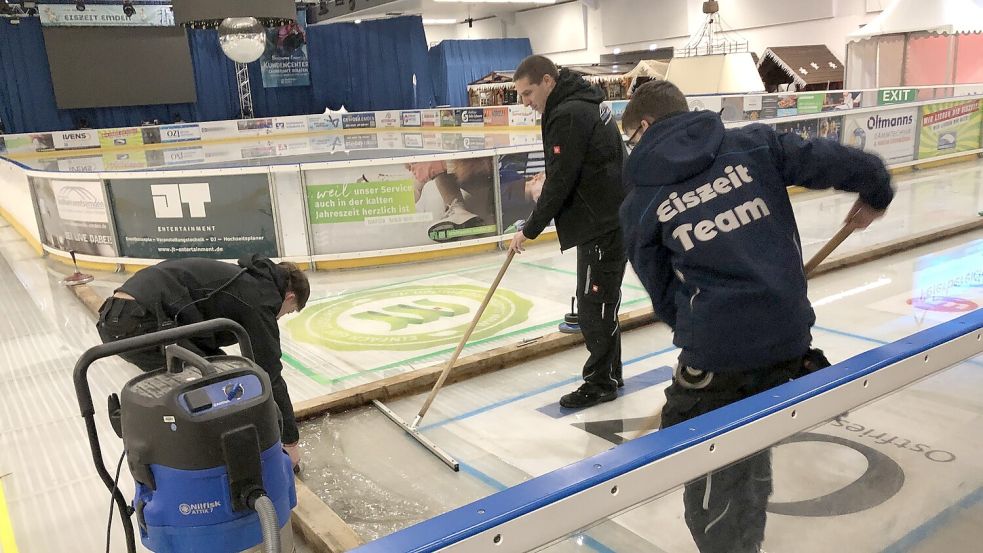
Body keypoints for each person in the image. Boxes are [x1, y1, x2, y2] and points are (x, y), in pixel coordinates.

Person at [619, 80, 894, 553]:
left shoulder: (640, 203)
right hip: (789, 339)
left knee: (709, 486)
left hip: (720, 361)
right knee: (752, 445)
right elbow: (844, 162)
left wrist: (700, 335)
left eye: (630, 138)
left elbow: (663, 294)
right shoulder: (754, 145)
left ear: (644, 127)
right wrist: (876, 191)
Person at [95, 255, 310, 469]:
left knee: (222, 374)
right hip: (137, 320)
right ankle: (135, 427)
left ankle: (217, 448)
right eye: (288, 312)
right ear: (290, 297)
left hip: (123, 314)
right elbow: (270, 373)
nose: (281, 317)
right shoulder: (261, 299)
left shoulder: (250, 281)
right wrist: (290, 441)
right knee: (208, 383)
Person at [507, 55, 627, 409]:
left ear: (547, 81)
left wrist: (528, 230)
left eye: (528, 93)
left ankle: (599, 383)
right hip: (607, 217)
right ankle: (611, 372)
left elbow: (560, 183)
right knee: (602, 302)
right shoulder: (583, 102)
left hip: (602, 225)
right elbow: (582, 164)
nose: (526, 103)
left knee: (593, 306)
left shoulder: (567, 114)